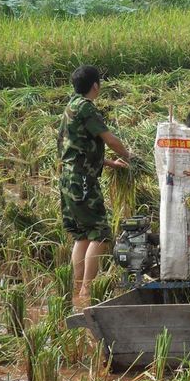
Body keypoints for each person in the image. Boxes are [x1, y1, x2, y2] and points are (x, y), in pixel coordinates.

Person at [58, 65, 131, 305]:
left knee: (82, 236)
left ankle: (77, 291)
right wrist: (130, 157)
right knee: (99, 233)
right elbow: (108, 139)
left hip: (69, 179)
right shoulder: (87, 108)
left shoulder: (70, 106)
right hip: (83, 182)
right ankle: (88, 292)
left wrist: (110, 163)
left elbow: (77, 147)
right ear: (95, 86)